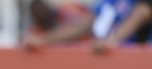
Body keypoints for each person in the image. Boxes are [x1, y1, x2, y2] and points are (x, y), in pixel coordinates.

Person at [23, 0, 152, 53]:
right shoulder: (107, 3)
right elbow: (81, 27)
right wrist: (43, 39)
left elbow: (141, 14)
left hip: (132, 65)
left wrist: (112, 41)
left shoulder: (140, 4)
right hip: (102, 62)